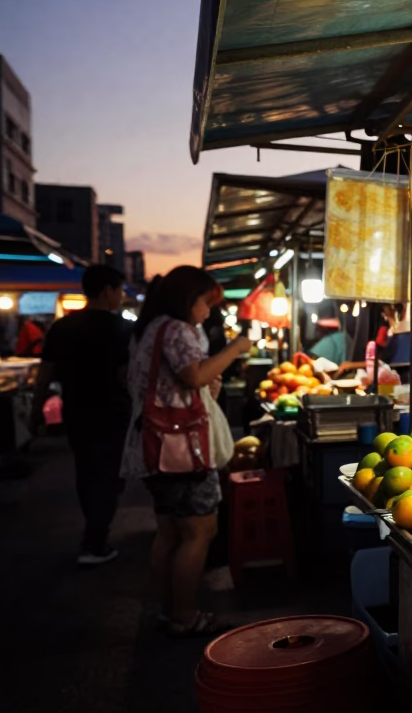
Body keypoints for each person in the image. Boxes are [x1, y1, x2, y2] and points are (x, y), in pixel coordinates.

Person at [121, 266, 251, 637]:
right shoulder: (178, 329)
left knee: (169, 532)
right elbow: (192, 376)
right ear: (187, 299)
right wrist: (235, 349)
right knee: (198, 531)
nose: (208, 312)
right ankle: (184, 614)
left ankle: (168, 609)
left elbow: (179, 383)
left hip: (155, 445)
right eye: (204, 303)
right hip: (180, 450)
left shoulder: (151, 328)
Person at [33, 265, 131, 566]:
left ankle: (94, 533)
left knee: (87, 471)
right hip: (113, 411)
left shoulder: (63, 327)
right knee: (110, 474)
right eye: (119, 290)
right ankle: (94, 541)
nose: (121, 296)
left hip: (76, 409)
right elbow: (126, 376)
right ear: (107, 291)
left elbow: (44, 373)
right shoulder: (121, 329)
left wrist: (36, 410)